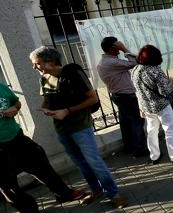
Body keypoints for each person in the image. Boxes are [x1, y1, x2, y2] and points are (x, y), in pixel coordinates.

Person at [29, 46, 127, 208]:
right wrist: (46, 108)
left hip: (81, 127)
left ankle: (114, 193)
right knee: (81, 163)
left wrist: (67, 111)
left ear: (51, 61)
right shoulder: (44, 78)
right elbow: (47, 98)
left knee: (94, 162)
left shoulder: (73, 73)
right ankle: (96, 190)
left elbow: (93, 99)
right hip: (62, 129)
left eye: (37, 63)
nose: (34, 67)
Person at [0, 83, 85, 212]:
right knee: (8, 186)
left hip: (17, 138)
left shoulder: (1, 87)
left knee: (41, 164)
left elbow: (17, 103)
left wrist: (14, 109)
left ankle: (63, 193)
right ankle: (28, 208)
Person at [131, 45, 173, 166]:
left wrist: (141, 107)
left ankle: (155, 156)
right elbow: (165, 90)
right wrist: (171, 82)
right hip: (161, 105)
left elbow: (137, 91)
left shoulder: (135, 70)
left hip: (146, 107)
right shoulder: (155, 71)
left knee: (151, 131)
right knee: (170, 130)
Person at [96, 37, 148, 157]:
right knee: (137, 121)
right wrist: (125, 49)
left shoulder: (106, 61)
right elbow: (136, 62)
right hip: (126, 96)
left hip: (119, 95)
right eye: (117, 46)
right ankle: (139, 149)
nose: (119, 48)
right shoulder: (111, 62)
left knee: (126, 123)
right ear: (111, 48)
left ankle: (129, 147)